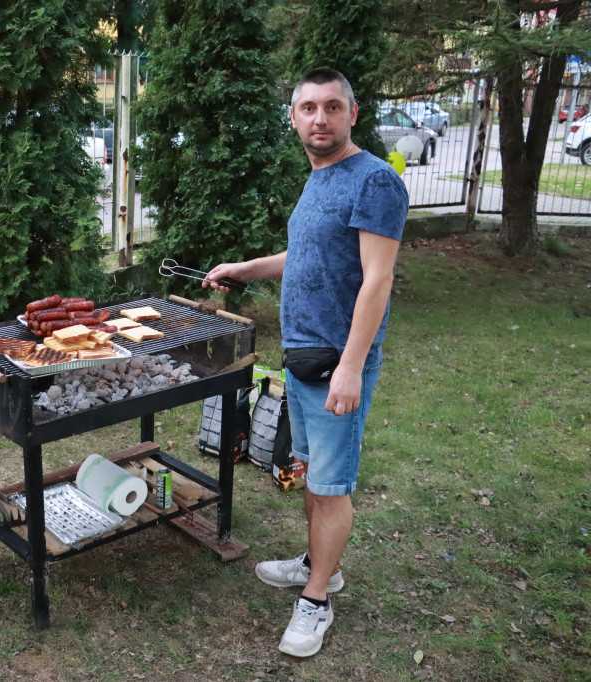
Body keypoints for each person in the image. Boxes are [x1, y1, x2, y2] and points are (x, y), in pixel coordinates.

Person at [204, 67, 408, 657]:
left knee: (331, 483)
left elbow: (378, 279)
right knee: (315, 473)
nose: (320, 119)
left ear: (353, 112)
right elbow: (307, 255)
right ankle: (321, 564)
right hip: (305, 357)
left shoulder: (373, 182)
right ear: (293, 117)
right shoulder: (320, 176)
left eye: (331, 107)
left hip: (337, 362)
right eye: (309, 109)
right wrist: (244, 268)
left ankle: (316, 599)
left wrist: (351, 365)